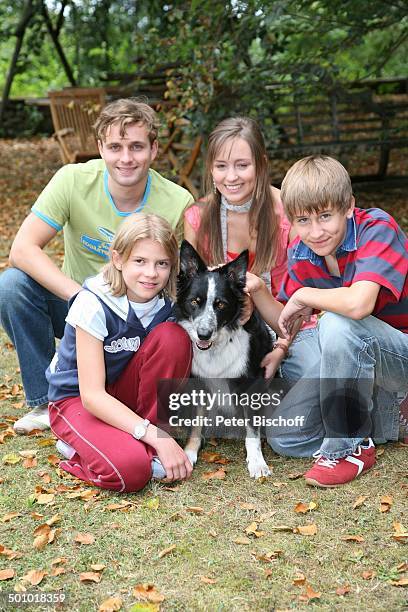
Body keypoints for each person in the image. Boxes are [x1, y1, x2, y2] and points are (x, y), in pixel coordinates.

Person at [0, 98, 193, 434]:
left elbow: (193, 276)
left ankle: (144, 407)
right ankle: (45, 402)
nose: (126, 158)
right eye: (115, 146)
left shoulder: (178, 201)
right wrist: (84, 297)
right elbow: (22, 249)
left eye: (136, 146)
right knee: (12, 285)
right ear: (100, 147)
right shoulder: (72, 180)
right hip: (77, 308)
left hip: (140, 317)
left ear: (155, 149)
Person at [247, 155, 407, 487]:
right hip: (363, 363)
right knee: (284, 435)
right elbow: (288, 316)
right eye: (303, 220)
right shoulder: (302, 253)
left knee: (336, 323)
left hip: (400, 352)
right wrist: (262, 294)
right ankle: (391, 416)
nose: (316, 232)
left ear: (348, 206)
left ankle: (350, 447)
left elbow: (359, 304)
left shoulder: (377, 228)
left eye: (325, 216)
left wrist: (306, 296)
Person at [47, 213, 193, 491]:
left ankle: (151, 444)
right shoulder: (94, 302)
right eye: (140, 261)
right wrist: (153, 434)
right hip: (79, 399)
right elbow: (92, 395)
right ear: (118, 259)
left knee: (174, 338)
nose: (151, 273)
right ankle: (78, 449)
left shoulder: (168, 303)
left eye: (161, 264)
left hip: (124, 394)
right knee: (131, 472)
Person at [184, 116, 318, 380]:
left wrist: (281, 347)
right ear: (210, 168)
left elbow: (302, 302)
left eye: (242, 165)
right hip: (219, 331)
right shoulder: (198, 219)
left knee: (316, 374)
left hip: (287, 326)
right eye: (221, 166)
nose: (231, 177)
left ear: (261, 164)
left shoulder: (289, 216)